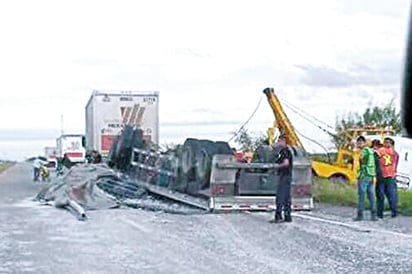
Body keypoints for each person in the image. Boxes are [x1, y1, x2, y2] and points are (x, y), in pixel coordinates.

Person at [270, 134, 293, 223]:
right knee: (287, 197)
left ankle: (278, 216)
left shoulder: (284, 151)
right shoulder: (285, 150)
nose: (278, 143)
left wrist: (277, 167)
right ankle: (287, 217)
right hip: (287, 176)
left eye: (280, 141)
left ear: (284, 141)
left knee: (280, 197)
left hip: (284, 176)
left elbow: (286, 163)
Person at [354, 135, 377, 221]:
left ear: (363, 143)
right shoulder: (371, 151)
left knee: (361, 196)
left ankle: (360, 216)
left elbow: (362, 162)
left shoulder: (364, 151)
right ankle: (373, 215)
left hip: (364, 175)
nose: (358, 144)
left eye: (359, 142)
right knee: (371, 195)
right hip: (371, 175)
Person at [375, 137, 398, 218]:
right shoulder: (395, 153)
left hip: (382, 175)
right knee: (392, 195)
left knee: (380, 195)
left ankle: (379, 213)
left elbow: (375, 160)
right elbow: (395, 164)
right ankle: (394, 212)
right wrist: (394, 172)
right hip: (391, 175)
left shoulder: (380, 150)